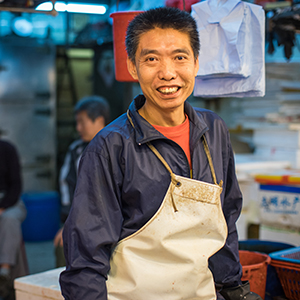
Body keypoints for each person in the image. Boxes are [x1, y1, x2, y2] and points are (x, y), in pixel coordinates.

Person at [60, 7, 262, 300]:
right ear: (132, 67)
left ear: (195, 63)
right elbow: (85, 262)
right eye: (151, 59)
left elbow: (225, 222)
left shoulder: (214, 129)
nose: (167, 73)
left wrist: (232, 288)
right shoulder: (111, 146)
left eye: (179, 57)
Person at [54, 95, 110, 267]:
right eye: (76, 123)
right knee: (62, 245)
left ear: (99, 121)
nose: (78, 128)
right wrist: (71, 221)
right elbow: (67, 186)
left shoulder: (117, 146)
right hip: (79, 217)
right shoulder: (76, 150)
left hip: (109, 219)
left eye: (82, 122)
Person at [0, 139, 27, 299]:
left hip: (11, 202)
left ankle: (4, 271)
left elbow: (16, 185)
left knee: (9, 220)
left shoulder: (8, 149)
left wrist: (2, 207)